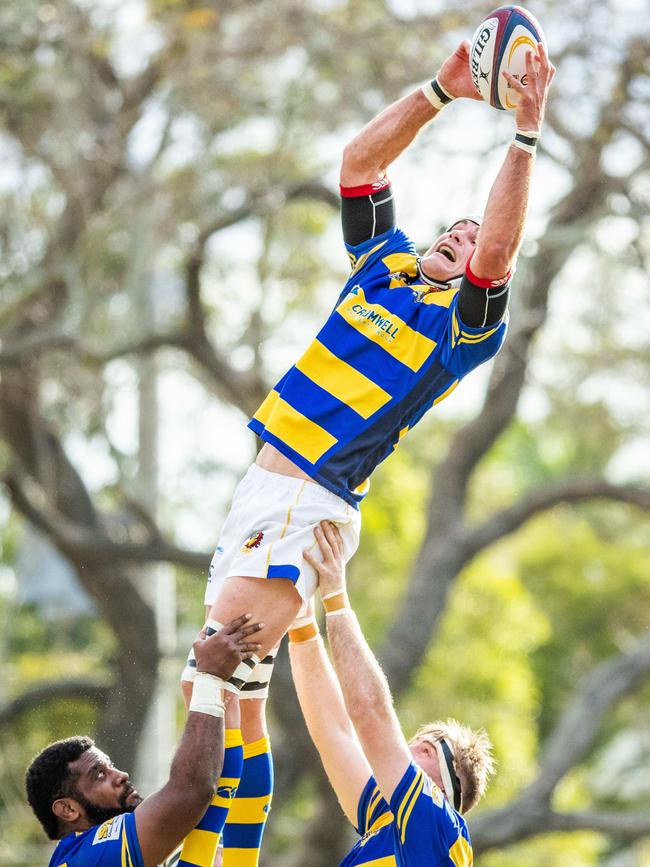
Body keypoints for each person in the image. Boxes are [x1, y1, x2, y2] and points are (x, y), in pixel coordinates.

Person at [181, 38, 554, 865]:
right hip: (258, 488)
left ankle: (203, 855)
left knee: (212, 694)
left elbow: (498, 250)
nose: (465, 235)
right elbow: (358, 165)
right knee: (223, 694)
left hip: (308, 502)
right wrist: (442, 89)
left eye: (473, 242)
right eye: (456, 225)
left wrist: (523, 135)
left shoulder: (458, 334)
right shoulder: (380, 266)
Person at [290, 521, 495, 864]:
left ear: (442, 787)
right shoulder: (386, 821)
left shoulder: (439, 823)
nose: (409, 746)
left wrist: (336, 595)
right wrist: (301, 622)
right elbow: (334, 733)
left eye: (426, 748)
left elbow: (371, 714)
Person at [26, 615, 262, 867]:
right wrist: (210, 678)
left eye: (110, 766)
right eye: (98, 775)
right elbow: (193, 790)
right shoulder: (91, 858)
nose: (121, 775)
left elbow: (205, 798)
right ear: (68, 810)